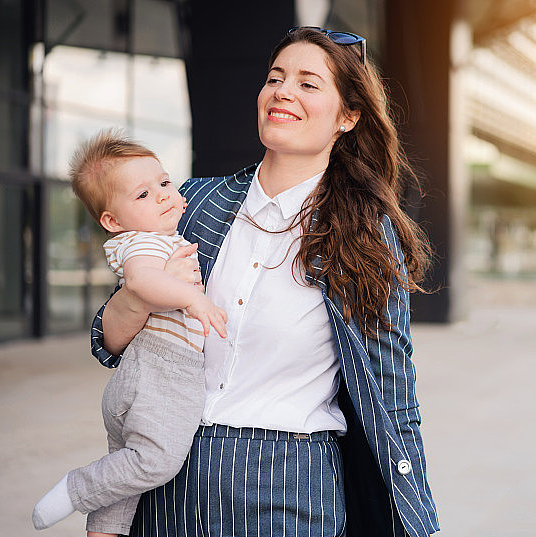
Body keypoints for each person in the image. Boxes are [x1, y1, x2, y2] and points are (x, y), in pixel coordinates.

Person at [90, 27, 439, 537]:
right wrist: (139, 292)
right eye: (275, 78)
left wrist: (417, 519)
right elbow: (109, 341)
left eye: (308, 83)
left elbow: (392, 390)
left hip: (290, 484)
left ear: (348, 116)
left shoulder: (366, 236)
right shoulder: (193, 204)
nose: (283, 92)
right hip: (169, 474)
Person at [33, 130, 228, 536]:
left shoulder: (158, 238)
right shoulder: (142, 244)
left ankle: (102, 531)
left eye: (163, 183)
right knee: (155, 460)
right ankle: (76, 488)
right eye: (142, 195)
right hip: (159, 377)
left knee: (123, 483)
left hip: (143, 380)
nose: (161, 195)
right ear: (112, 221)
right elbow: (140, 285)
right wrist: (196, 301)